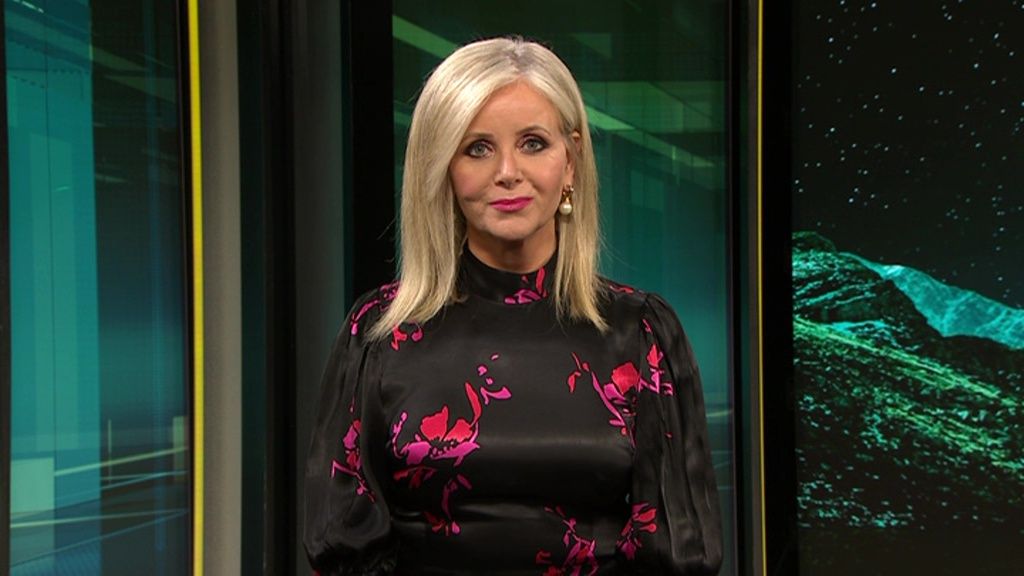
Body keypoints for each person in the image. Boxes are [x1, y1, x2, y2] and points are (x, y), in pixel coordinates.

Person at [304, 36, 722, 575]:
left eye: (533, 143)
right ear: (444, 169)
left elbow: (677, 554)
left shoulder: (640, 332)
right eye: (477, 148)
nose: (507, 171)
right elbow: (343, 544)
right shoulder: (380, 334)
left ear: (570, 161)